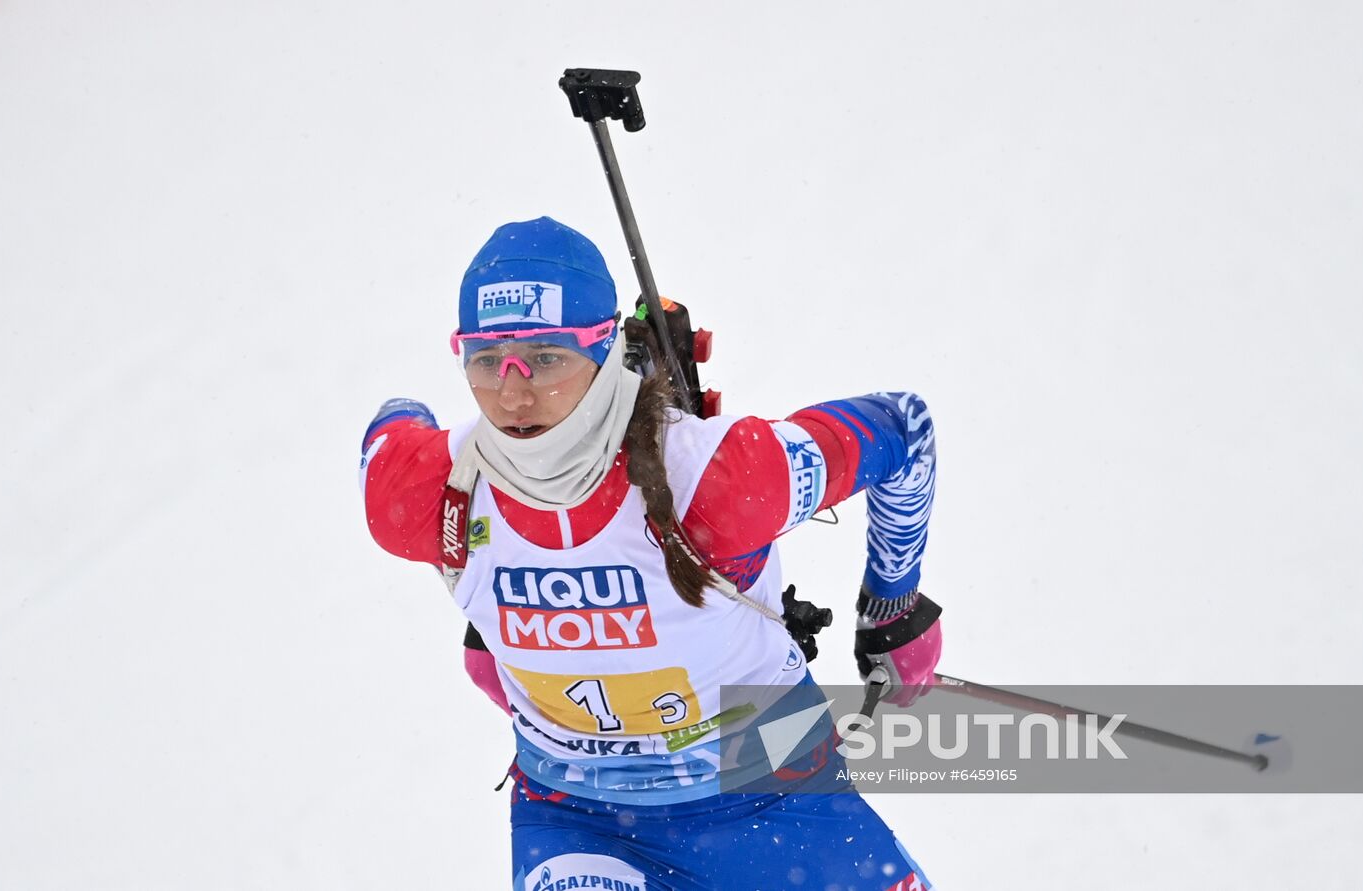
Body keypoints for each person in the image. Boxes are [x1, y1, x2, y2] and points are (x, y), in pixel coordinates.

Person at [362, 216, 942, 891]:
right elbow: (391, 426)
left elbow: (904, 427)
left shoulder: (721, 477)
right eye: (486, 360)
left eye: (545, 357)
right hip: (582, 821)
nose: (512, 394)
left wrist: (893, 604)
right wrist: (488, 620)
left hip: (777, 792)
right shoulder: (423, 488)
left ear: (605, 349)